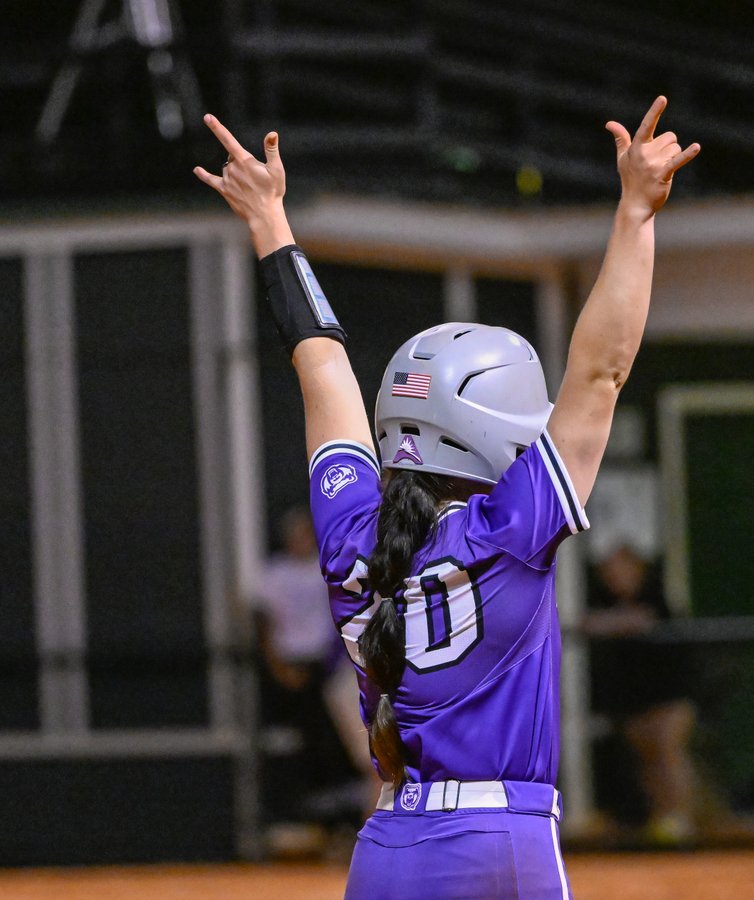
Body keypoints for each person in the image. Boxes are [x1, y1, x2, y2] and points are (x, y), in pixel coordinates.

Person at [195, 98, 698, 897]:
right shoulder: (508, 531)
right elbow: (601, 372)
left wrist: (269, 221)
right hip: (499, 841)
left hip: (386, 848)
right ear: (492, 431)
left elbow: (319, 363)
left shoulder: (351, 530)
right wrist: (635, 213)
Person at [253, 507, 376, 841]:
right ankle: (307, 824)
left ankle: (348, 829)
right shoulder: (277, 573)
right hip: (299, 666)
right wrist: (278, 666)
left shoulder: (330, 568)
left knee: (348, 756)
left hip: (334, 666)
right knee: (299, 748)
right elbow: (260, 619)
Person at [584, 545, 698, 845]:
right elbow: (589, 624)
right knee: (647, 758)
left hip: (670, 694)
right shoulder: (604, 599)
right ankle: (662, 817)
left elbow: (638, 620)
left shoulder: (655, 595)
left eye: (621, 570)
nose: (614, 577)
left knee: (667, 752)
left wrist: (611, 623)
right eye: (608, 572)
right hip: (635, 698)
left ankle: (680, 818)